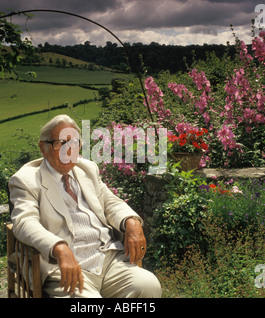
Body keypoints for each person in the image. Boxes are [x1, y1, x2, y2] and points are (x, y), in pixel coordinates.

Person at [8, 114, 161, 298]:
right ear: (44, 148)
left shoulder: (86, 169)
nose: (68, 151)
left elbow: (110, 202)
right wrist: (59, 247)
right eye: (60, 143)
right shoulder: (25, 180)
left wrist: (132, 221)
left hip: (107, 259)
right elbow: (24, 222)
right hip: (64, 268)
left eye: (74, 143)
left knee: (148, 286)